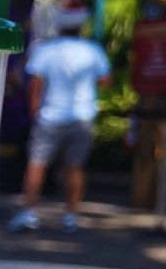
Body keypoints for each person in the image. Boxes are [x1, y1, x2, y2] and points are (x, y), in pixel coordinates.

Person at [8, 20, 112, 233]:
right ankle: (71, 216)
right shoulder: (93, 50)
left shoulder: (46, 49)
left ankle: (29, 211)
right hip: (82, 116)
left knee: (37, 165)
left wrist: (34, 112)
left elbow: (35, 86)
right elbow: (105, 81)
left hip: (50, 116)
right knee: (75, 168)